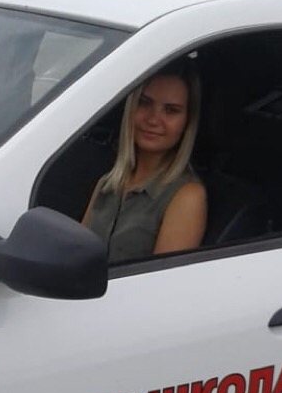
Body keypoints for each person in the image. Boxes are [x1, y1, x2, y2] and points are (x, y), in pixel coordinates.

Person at [82, 61, 207, 264]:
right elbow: (74, 257)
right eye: (144, 103)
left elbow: (162, 280)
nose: (153, 119)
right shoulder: (107, 183)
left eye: (171, 110)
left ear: (187, 122)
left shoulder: (187, 196)